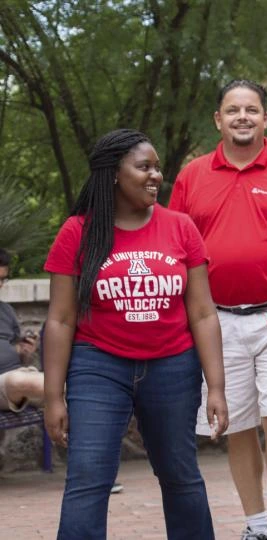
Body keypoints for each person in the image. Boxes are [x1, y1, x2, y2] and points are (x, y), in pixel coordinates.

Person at [41, 129, 229, 539]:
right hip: (98, 365)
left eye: (157, 167)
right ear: (113, 173)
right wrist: (54, 396)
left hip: (173, 365)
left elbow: (201, 311)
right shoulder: (78, 232)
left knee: (180, 474)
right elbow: (59, 320)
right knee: (88, 478)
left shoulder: (181, 227)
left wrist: (216, 386)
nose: (155, 176)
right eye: (144, 166)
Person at [169, 79, 267, 540]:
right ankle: (254, 524)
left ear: (266, 118)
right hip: (216, 320)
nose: (243, 117)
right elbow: (174, 246)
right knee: (239, 424)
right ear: (218, 119)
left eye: (252, 109)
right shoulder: (192, 176)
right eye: (233, 110)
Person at [0, 249, 44, 413]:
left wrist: (24, 352)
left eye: (3, 279)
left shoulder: (6, 310)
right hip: (13, 382)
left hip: (21, 378)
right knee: (19, 381)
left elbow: (17, 355)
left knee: (22, 380)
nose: (0, 285)